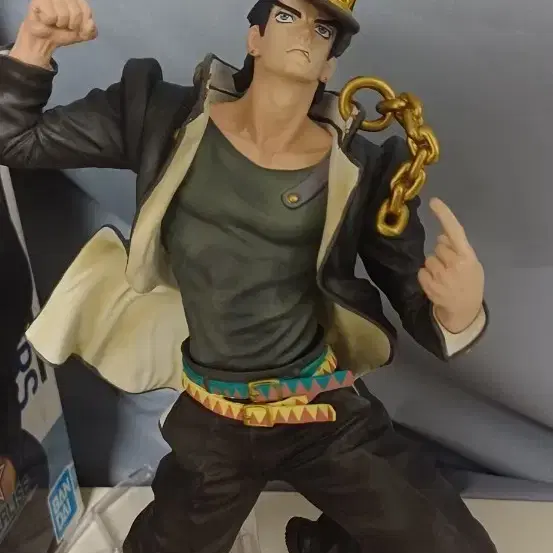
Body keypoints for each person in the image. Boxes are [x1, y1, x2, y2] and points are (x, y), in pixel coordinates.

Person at [0, 0, 496, 552]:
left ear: (330, 65)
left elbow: (412, 293)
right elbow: (16, 140)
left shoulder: (361, 168)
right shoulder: (159, 118)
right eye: (287, 16)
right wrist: (33, 49)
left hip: (320, 408)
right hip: (216, 419)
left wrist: (458, 310)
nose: (305, 33)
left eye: (323, 29)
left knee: (452, 545)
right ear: (253, 37)